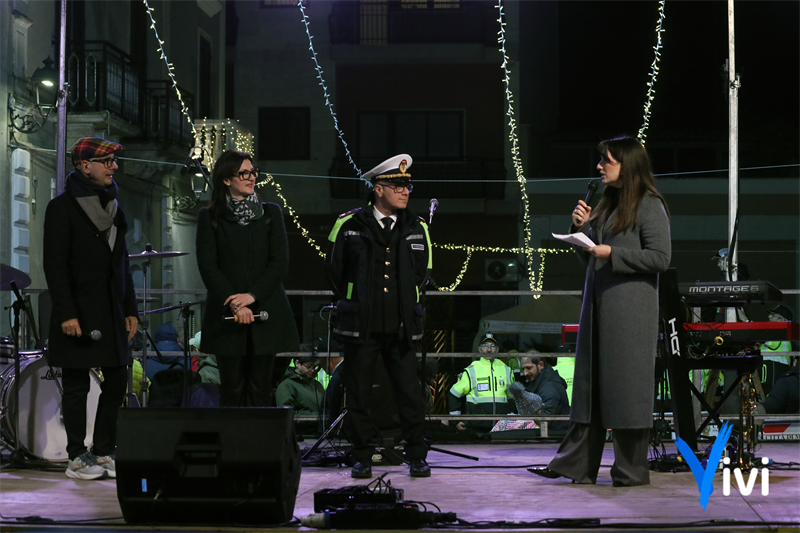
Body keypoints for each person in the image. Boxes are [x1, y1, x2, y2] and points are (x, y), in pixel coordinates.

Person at [528, 136, 671, 487]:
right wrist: (581, 232)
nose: (599, 166)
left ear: (627, 164)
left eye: (606, 160)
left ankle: (630, 471)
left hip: (629, 314)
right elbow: (592, 255)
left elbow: (660, 259)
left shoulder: (649, 204)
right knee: (590, 388)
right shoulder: (607, 203)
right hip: (599, 307)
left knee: (627, 391)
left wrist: (613, 254)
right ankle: (575, 465)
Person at [325, 153, 432, 479]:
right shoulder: (348, 226)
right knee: (358, 393)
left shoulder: (418, 227)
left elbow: (422, 274)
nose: (405, 191)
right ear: (378, 188)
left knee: (410, 393)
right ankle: (362, 455)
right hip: (362, 325)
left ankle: (416, 454)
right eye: (397, 185)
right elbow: (334, 274)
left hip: (401, 325)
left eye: (408, 185)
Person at [43, 137, 139, 480]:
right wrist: (67, 313)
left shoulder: (114, 208)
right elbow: (55, 266)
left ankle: (103, 449)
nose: (114, 166)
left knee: (116, 380)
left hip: (111, 309)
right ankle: (76, 456)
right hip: (78, 310)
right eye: (107, 160)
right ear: (86, 166)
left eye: (113, 160)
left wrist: (131, 309)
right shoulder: (62, 208)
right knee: (76, 385)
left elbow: (122, 264)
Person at [196, 150, 298, 407]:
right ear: (226, 179)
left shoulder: (270, 213)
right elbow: (208, 266)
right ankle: (232, 445)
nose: (251, 178)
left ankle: (260, 447)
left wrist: (251, 297)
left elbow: (279, 263)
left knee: (260, 390)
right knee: (232, 389)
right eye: (244, 173)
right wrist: (235, 303)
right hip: (226, 318)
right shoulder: (209, 218)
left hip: (266, 313)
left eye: (253, 172)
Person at [448, 333, 513, 433]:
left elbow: (512, 398)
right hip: (477, 428)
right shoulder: (472, 370)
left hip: (502, 428)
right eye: (485, 346)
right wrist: (456, 421)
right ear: (479, 349)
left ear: (497, 350)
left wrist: (512, 418)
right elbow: (453, 394)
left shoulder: (506, 370)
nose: (489, 349)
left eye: (492, 346)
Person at [520, 353, 570, 435]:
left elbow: (545, 422)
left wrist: (530, 407)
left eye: (529, 368)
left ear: (541, 365)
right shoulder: (542, 383)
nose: (525, 373)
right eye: (524, 369)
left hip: (555, 438)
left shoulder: (549, 388)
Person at [276, 356, 325, 437]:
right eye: (309, 366)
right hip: (300, 437)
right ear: (297, 363)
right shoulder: (286, 386)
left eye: (315, 367)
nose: (312, 370)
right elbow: (287, 415)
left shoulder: (317, 385)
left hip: (319, 435)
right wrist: (317, 417)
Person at [760, 304, 794, 395]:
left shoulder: (781, 331)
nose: (769, 317)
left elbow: (760, 335)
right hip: (772, 367)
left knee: (770, 395)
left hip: (774, 367)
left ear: (782, 320)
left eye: (773, 316)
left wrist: (747, 321)